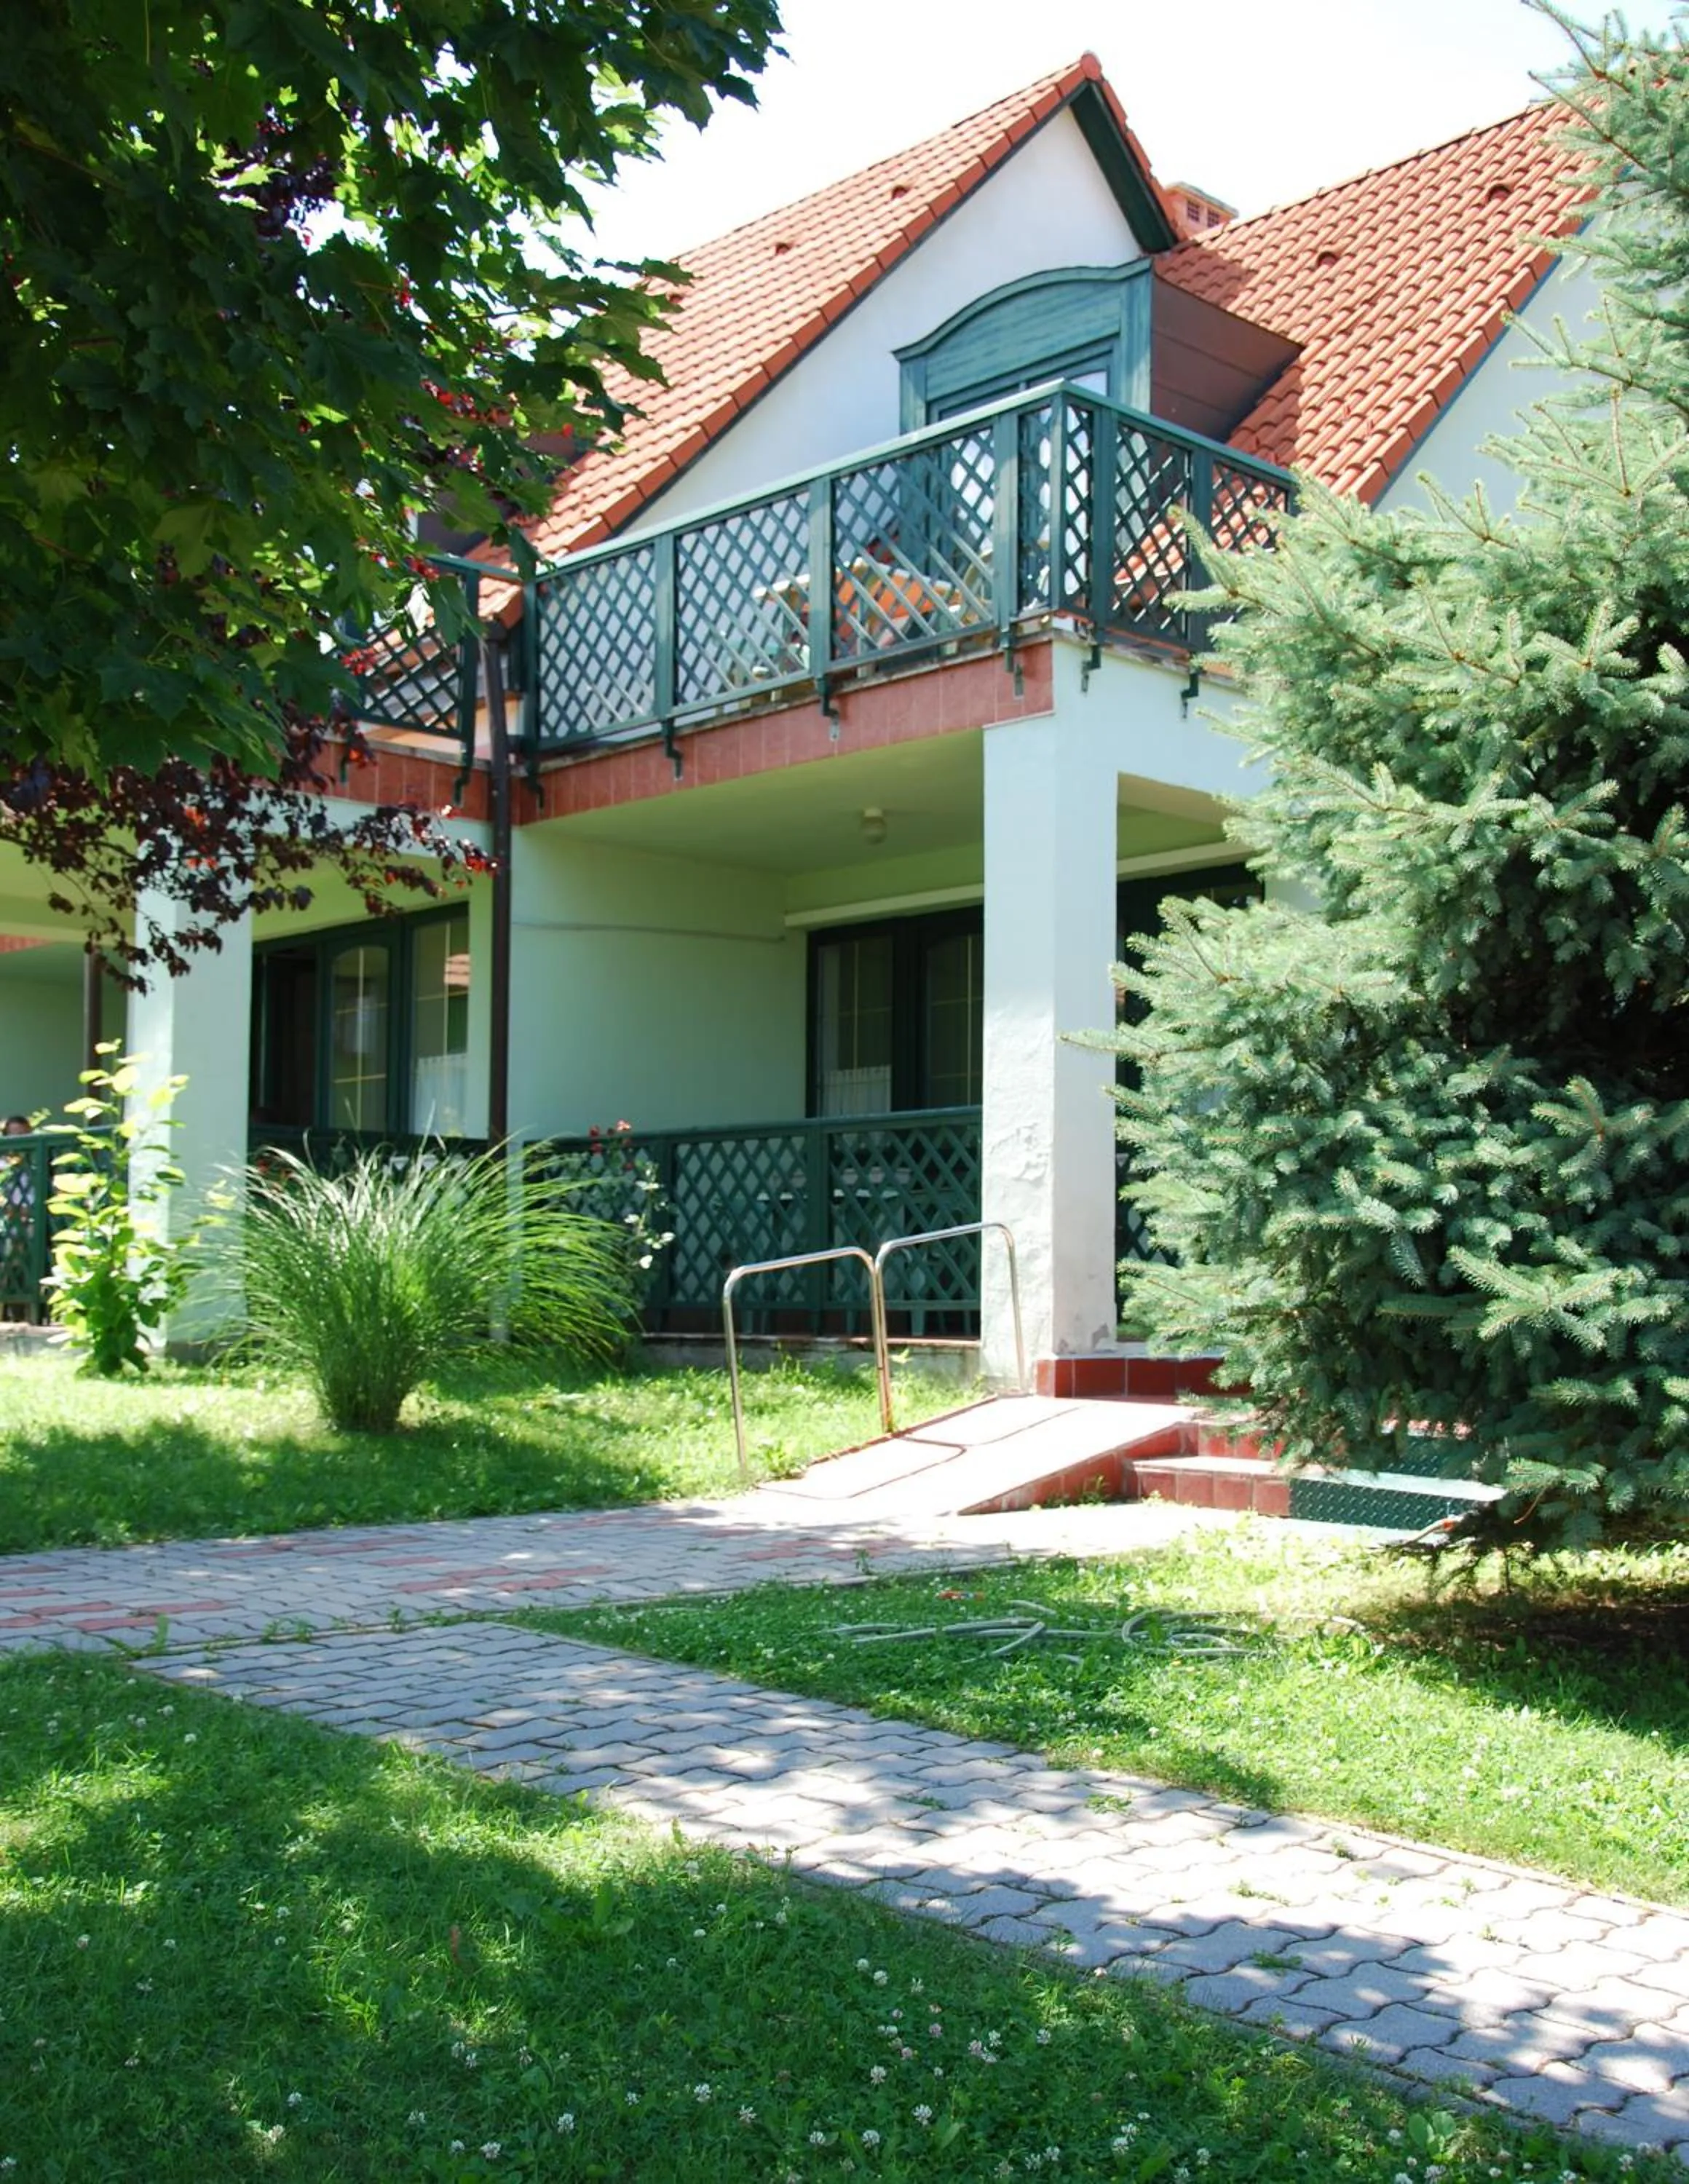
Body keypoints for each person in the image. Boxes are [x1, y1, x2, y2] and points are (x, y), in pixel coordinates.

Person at [1, 1115, 38, 1321]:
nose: (18, 1142)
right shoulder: (2, 1169)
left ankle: (23, 1314)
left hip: (26, 1231)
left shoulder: (36, 1170)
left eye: (24, 1136)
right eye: (13, 1136)